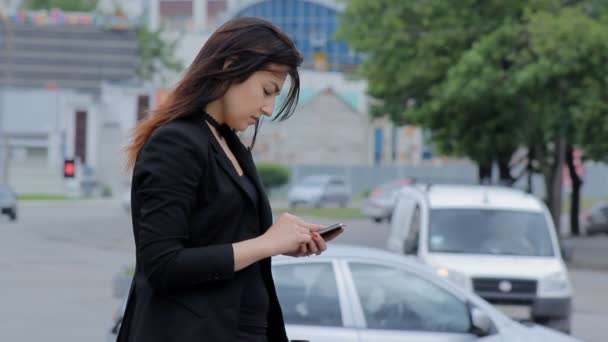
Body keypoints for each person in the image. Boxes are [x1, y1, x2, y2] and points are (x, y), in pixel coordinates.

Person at [116, 17, 343, 342]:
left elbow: (221, 239)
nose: (268, 108)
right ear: (231, 65)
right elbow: (162, 264)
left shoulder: (231, 145)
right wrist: (267, 243)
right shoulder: (176, 142)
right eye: (267, 90)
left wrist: (283, 240)